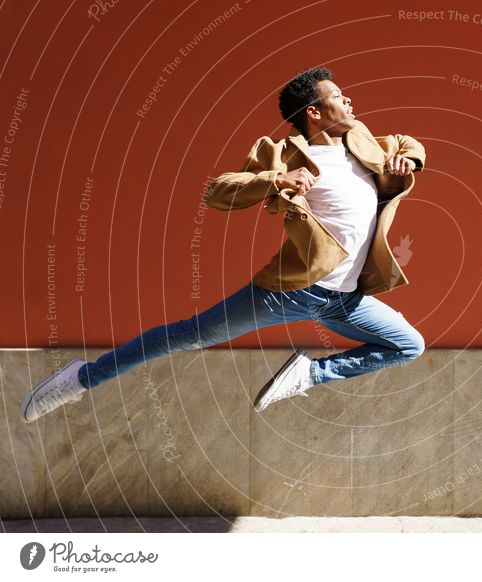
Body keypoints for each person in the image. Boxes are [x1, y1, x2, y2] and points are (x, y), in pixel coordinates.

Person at [21, 66, 426, 423]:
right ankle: (81, 379)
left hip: (345, 298)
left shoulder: (362, 140)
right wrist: (278, 180)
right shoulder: (283, 153)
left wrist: (411, 160)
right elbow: (218, 191)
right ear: (314, 112)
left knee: (408, 345)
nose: (349, 99)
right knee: (187, 335)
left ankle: (310, 374)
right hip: (292, 291)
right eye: (338, 95)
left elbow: (409, 142)